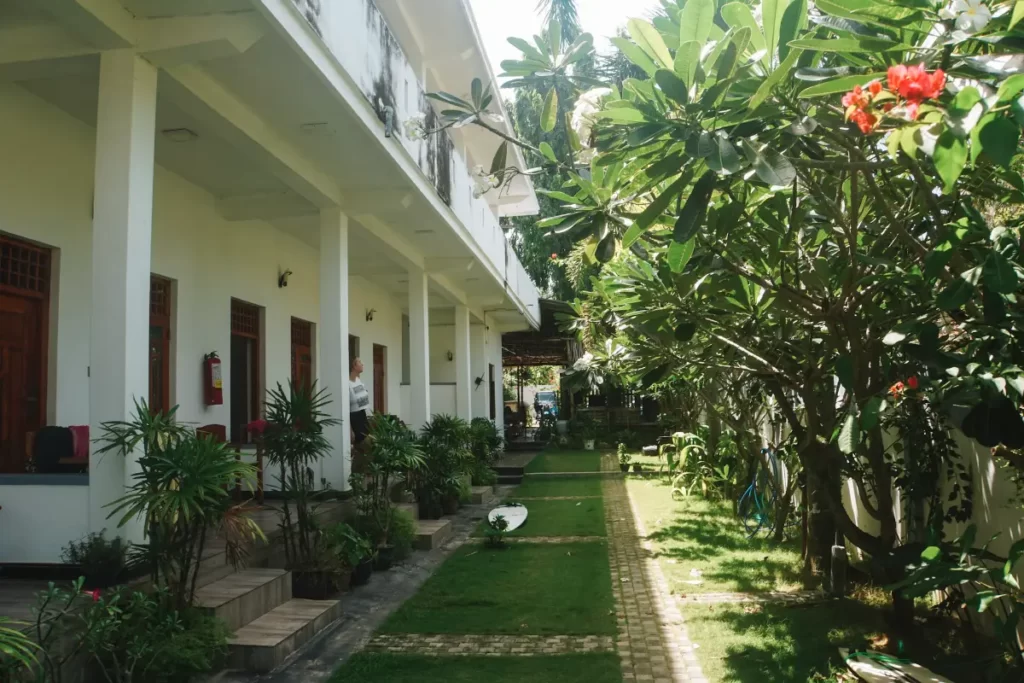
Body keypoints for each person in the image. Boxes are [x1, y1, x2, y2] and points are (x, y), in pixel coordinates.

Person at [349, 357, 372, 471]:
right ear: (354, 366)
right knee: (364, 444)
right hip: (354, 416)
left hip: (363, 415)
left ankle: (360, 470)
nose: (362, 364)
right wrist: (350, 430)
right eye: (359, 362)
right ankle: (357, 470)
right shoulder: (348, 383)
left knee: (366, 445)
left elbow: (363, 400)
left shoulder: (359, 380)